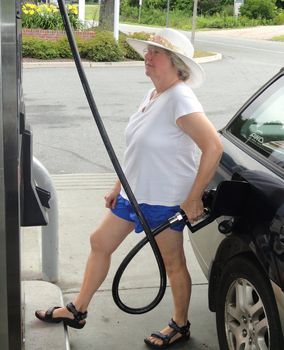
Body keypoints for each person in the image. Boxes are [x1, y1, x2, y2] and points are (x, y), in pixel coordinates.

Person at [35, 28, 223, 349]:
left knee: (173, 264)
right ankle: (77, 310)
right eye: (147, 52)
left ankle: (180, 324)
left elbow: (213, 147)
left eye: (155, 54)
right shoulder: (154, 95)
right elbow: (136, 148)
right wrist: (118, 184)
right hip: (133, 194)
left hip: (163, 201)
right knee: (99, 242)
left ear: (176, 64)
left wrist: (193, 198)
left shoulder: (180, 98)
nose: (147, 58)